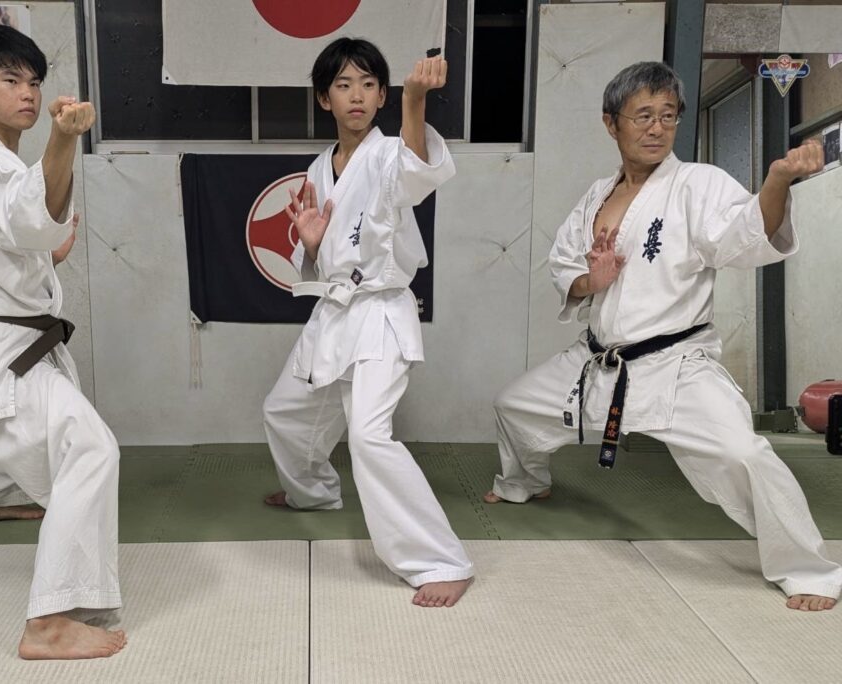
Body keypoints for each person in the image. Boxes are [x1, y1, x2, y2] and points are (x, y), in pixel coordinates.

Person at [484, 61, 840, 611]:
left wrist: (776, 181)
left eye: (668, 116)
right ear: (611, 123)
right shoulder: (595, 196)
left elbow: (746, 232)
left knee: (743, 455)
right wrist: (592, 280)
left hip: (675, 365)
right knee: (513, 406)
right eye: (643, 115)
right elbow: (564, 268)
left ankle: (808, 570)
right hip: (599, 361)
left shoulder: (698, 184)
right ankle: (524, 482)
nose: (657, 128)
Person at [262, 38, 474, 608]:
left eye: (368, 84)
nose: (356, 95)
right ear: (324, 98)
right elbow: (321, 256)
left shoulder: (387, 154)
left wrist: (416, 101)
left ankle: (440, 561)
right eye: (342, 85)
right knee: (283, 412)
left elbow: (417, 172)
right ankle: (313, 493)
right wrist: (312, 244)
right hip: (334, 312)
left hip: (380, 312)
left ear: (382, 96)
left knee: (369, 436)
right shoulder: (319, 166)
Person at [0, 24, 127, 657]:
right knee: (90, 449)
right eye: (10, 80)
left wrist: (46, 253)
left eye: (34, 81)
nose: (27, 92)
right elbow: (30, 218)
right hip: (0, 353)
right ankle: (46, 624)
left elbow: (27, 233)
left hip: (7, 345)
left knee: (53, 446)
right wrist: (64, 138)